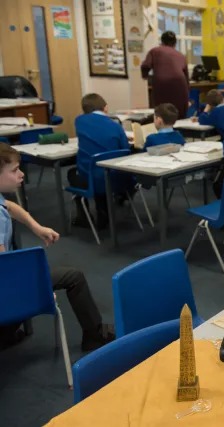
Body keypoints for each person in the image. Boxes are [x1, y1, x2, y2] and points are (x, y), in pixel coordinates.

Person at [0, 144, 115, 351]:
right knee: (74, 277)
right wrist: (36, 290)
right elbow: (4, 271)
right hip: (6, 292)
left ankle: (6, 333)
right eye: (15, 170)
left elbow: (9, 206)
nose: (22, 174)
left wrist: (36, 227)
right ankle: (95, 335)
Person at [69, 93, 131, 229]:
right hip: (118, 178)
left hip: (92, 178)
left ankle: (84, 217)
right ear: (106, 108)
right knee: (104, 172)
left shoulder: (79, 121)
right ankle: (119, 199)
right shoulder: (116, 126)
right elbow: (126, 149)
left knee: (72, 174)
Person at [141, 31, 189, 119]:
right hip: (180, 84)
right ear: (175, 43)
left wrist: (145, 76)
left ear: (162, 41)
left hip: (161, 83)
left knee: (162, 112)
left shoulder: (154, 51)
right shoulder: (181, 55)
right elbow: (186, 77)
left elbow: (145, 66)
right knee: (179, 113)